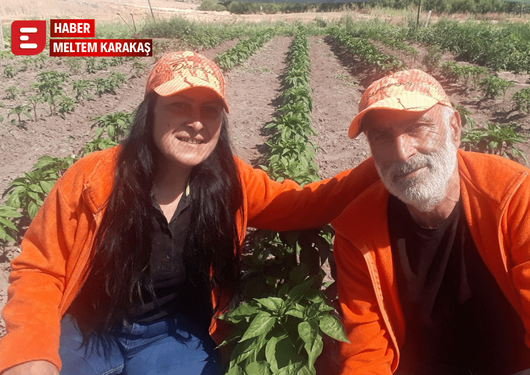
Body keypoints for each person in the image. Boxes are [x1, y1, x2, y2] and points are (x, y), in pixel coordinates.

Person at [0, 51, 377, 375]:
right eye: (179, 104)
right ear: (150, 112)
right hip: (87, 327)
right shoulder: (93, 179)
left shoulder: (232, 181)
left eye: (209, 111)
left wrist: (384, 161)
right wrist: (30, 349)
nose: (196, 122)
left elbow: (306, 204)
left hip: (171, 334)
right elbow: (39, 267)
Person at [332, 69, 530, 375]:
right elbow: (365, 354)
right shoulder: (356, 232)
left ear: (454, 128)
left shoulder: (516, 196)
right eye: (381, 136)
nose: (401, 152)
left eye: (417, 127)